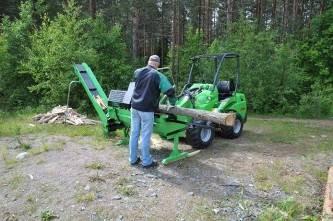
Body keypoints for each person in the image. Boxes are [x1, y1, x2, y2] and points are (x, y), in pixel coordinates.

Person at [129, 55, 176, 168]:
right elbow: (170, 91)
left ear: (149, 62)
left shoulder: (138, 72)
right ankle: (146, 161)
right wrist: (173, 104)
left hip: (134, 107)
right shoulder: (159, 76)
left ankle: (133, 159)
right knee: (145, 135)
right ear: (158, 64)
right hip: (146, 109)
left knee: (134, 133)